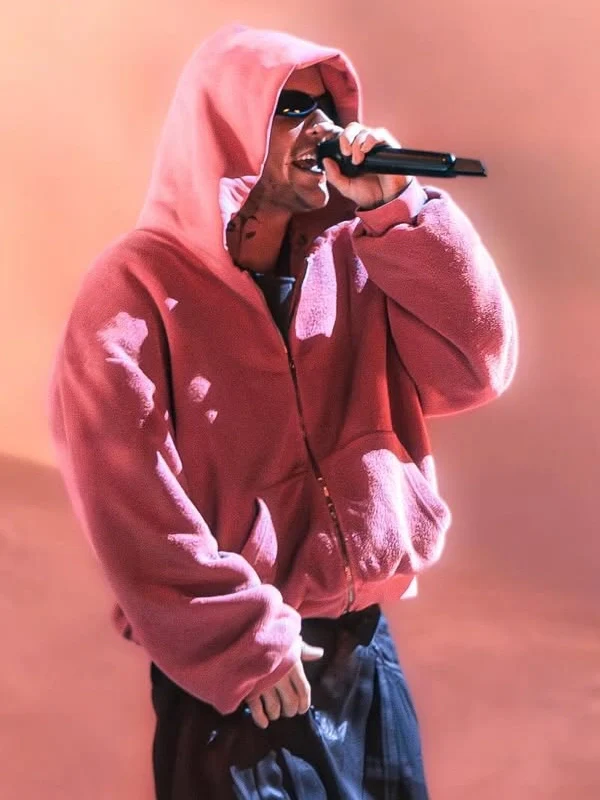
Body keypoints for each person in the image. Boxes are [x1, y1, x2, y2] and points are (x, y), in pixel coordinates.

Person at [49, 23, 517, 800]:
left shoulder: (363, 254)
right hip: (242, 676)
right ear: (226, 122)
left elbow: (479, 366)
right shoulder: (133, 290)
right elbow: (125, 496)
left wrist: (402, 214)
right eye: (293, 108)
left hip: (366, 656)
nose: (323, 129)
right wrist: (238, 638)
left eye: (329, 109)